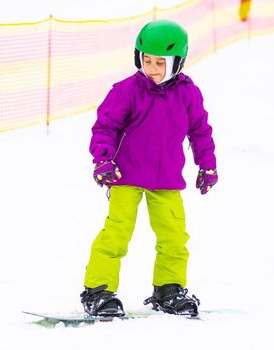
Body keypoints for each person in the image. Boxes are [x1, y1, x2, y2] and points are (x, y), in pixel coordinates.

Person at [81, 19, 217, 317]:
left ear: (177, 63)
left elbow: (200, 131)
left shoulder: (188, 94)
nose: (152, 68)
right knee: (116, 234)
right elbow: (105, 126)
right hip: (125, 176)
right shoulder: (127, 90)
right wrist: (103, 159)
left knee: (174, 237)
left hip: (166, 180)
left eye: (160, 62)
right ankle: (98, 291)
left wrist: (206, 165)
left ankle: (168, 289)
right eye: (146, 60)